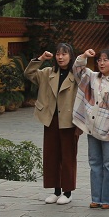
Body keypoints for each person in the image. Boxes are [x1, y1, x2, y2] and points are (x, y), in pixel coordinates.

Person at [72, 48, 109, 210]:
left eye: (105, 60)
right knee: (94, 163)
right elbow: (77, 70)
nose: (101, 63)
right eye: (99, 60)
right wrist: (84, 56)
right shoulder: (91, 77)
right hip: (93, 128)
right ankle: (96, 197)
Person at [24, 44, 78, 205]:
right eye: (58, 54)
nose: (60, 57)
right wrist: (40, 59)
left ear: (70, 56)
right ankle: (56, 191)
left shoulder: (77, 74)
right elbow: (29, 73)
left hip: (69, 121)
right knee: (51, 156)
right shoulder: (48, 72)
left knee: (68, 157)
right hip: (50, 119)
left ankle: (67, 192)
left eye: (64, 54)